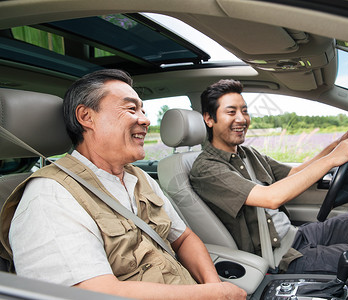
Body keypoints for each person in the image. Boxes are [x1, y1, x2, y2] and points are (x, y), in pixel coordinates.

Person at [0, 70, 246, 300]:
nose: (146, 120)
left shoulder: (139, 177)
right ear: (86, 117)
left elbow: (183, 238)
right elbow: (94, 294)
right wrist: (214, 294)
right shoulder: (50, 196)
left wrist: (213, 286)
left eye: (143, 110)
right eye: (131, 108)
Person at [190, 79, 348, 276]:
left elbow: (294, 174)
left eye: (245, 111)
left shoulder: (248, 153)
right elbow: (270, 198)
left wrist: (334, 146)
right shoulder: (206, 169)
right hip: (280, 257)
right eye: (231, 112)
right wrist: (332, 159)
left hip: (296, 235)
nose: (241, 119)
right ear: (209, 119)